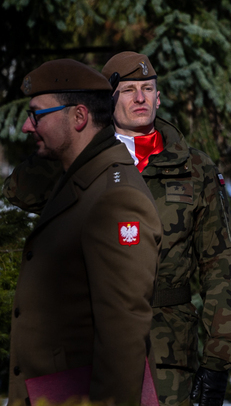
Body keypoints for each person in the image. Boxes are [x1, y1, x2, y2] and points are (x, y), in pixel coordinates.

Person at [4, 52, 231, 406]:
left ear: (159, 98)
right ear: (108, 99)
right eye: (128, 90)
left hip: (167, 352)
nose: (140, 98)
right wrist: (63, 146)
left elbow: (220, 266)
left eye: (148, 89)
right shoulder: (82, 162)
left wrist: (218, 360)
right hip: (89, 346)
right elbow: (18, 191)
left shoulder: (195, 168)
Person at [5, 59, 162, 403]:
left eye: (37, 115)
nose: (27, 127)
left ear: (78, 117)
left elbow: (123, 332)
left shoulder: (115, 197)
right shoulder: (79, 180)